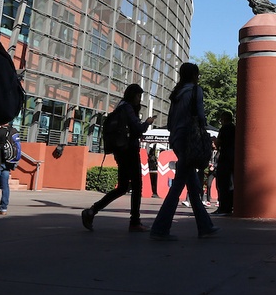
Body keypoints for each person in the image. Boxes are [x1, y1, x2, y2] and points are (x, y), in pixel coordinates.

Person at [150, 62, 219, 240]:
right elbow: (201, 118)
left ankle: (205, 226)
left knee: (190, 182)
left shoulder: (177, 94)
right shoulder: (196, 91)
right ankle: (160, 228)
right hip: (190, 139)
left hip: (177, 138)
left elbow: (171, 120)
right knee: (181, 184)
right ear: (194, 75)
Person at [81, 84, 156, 232]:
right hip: (130, 152)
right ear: (132, 95)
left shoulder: (120, 107)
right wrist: (147, 123)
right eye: (138, 96)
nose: (139, 99)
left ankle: (92, 211)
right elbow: (137, 129)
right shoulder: (128, 108)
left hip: (120, 151)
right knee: (137, 186)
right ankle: (135, 221)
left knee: (122, 187)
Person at [213, 111, 236, 213]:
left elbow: (219, 143)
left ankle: (223, 207)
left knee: (222, 184)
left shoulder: (224, 129)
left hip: (224, 159)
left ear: (224, 119)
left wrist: (214, 141)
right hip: (233, 159)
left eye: (221, 119)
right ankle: (230, 206)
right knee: (231, 184)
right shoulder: (234, 128)